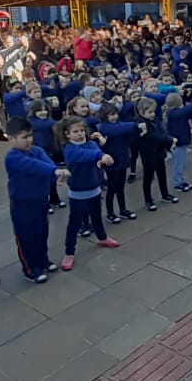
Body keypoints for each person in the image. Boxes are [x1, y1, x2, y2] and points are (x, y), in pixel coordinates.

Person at [4, 117, 69, 283]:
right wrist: (55, 172)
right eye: (24, 137)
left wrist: (56, 176)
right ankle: (30, 268)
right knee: (26, 236)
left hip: (40, 200)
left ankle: (43, 259)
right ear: (11, 139)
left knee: (41, 232)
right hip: (22, 203)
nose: (29, 140)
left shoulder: (37, 150)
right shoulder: (12, 157)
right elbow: (34, 166)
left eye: (30, 135)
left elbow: (48, 165)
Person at [58, 116, 120, 271]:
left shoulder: (91, 144)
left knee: (97, 216)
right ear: (67, 134)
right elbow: (84, 156)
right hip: (78, 193)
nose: (80, 134)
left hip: (94, 189)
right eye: (75, 131)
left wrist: (101, 158)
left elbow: (95, 153)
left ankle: (102, 237)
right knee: (74, 224)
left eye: (81, 130)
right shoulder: (69, 149)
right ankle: (69, 253)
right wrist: (100, 156)